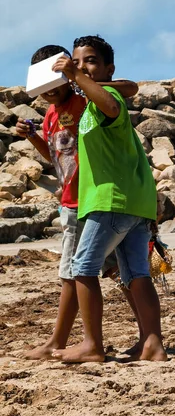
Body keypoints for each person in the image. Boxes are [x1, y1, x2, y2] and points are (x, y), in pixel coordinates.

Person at [16, 44, 139, 360]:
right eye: (41, 89)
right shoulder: (50, 116)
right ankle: (146, 336)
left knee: (74, 273)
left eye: (53, 83)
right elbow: (58, 157)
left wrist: (74, 75)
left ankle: (58, 341)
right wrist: (33, 137)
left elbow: (129, 89)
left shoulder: (83, 100)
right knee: (111, 271)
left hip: (89, 203)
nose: (48, 93)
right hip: (74, 201)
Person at [51, 35, 166, 363]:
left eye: (90, 60)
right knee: (135, 274)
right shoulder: (91, 101)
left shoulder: (107, 96)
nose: (81, 65)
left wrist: (76, 76)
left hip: (111, 200)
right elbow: (125, 89)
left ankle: (92, 345)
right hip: (132, 201)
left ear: (108, 68)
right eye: (77, 60)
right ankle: (152, 344)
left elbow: (114, 101)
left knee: (83, 268)